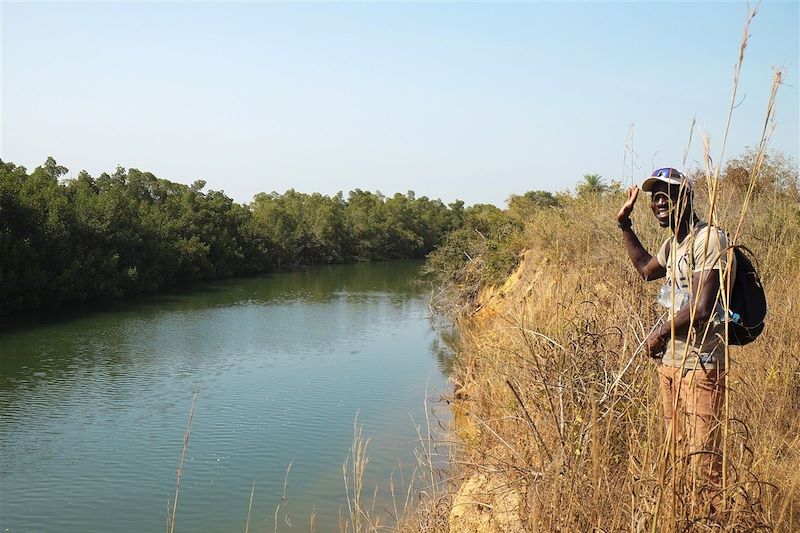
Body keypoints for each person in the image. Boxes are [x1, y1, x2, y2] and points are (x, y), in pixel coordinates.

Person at [615, 167, 735, 510]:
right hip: (670, 362)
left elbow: (700, 308)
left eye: (668, 191)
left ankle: (714, 518)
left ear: (688, 196)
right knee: (677, 447)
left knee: (705, 457)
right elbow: (645, 270)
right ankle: (683, 516)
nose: (659, 200)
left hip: (700, 363)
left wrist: (659, 332)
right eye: (655, 195)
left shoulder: (708, 238)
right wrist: (625, 225)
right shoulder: (675, 243)